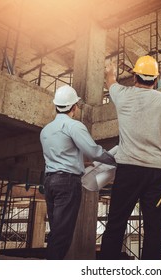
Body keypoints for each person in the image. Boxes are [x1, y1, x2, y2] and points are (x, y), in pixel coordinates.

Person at [100, 56, 161, 260]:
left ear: (135, 77)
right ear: (156, 80)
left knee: (116, 223)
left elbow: (111, 81)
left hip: (127, 170)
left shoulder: (121, 94)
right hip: (156, 174)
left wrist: (110, 72)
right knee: (154, 228)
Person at [40, 84, 116, 260]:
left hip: (49, 182)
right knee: (63, 234)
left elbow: (61, 153)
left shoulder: (45, 130)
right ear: (74, 107)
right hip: (67, 182)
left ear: (56, 105)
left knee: (56, 230)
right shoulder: (74, 126)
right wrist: (113, 159)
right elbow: (93, 151)